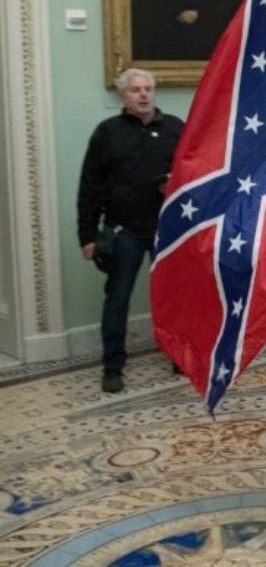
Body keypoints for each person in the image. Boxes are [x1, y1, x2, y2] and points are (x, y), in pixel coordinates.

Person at [77, 69, 182, 393]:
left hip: (167, 228)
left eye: (148, 88)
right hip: (124, 231)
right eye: (135, 90)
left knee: (174, 296)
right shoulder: (107, 132)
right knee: (117, 299)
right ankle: (112, 367)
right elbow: (90, 186)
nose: (143, 95)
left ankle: (181, 356)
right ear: (123, 95)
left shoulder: (175, 128)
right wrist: (88, 235)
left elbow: (194, 171)